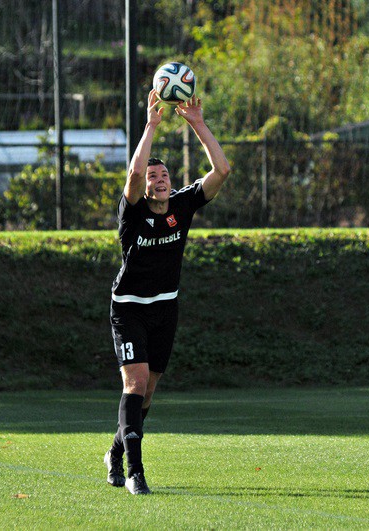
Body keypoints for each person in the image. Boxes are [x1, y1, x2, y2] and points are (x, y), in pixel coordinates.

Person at [103, 89, 231, 495]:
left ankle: (114, 450)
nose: (158, 180)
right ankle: (134, 472)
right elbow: (134, 175)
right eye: (153, 177)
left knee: (148, 391)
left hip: (165, 310)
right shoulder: (133, 211)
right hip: (128, 310)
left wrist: (198, 124)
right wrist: (152, 125)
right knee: (134, 384)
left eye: (164, 176)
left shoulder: (182, 206)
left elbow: (222, 171)